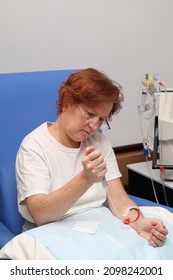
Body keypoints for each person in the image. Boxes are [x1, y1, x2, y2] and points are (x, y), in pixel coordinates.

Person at [16, 68, 168, 248]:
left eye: (102, 119)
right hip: (51, 235)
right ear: (66, 103)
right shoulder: (35, 146)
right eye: (89, 114)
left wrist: (138, 221)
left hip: (96, 229)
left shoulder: (99, 142)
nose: (95, 126)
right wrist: (85, 179)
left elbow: (118, 199)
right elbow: (41, 215)